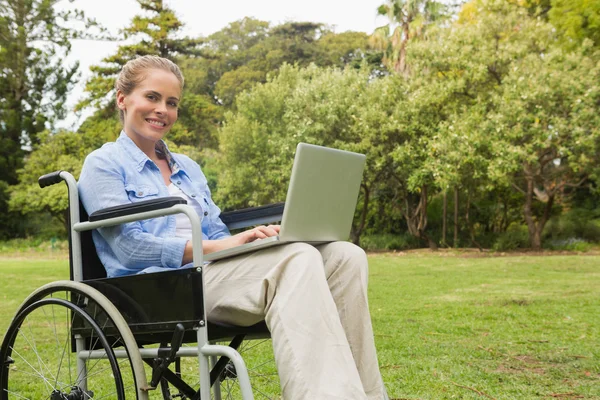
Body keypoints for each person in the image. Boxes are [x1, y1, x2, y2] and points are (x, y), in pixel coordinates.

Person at [78, 55, 388, 400]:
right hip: (158, 288)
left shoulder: (189, 168)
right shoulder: (102, 164)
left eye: (172, 102)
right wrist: (220, 248)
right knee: (297, 258)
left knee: (345, 256)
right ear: (123, 99)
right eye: (152, 97)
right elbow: (129, 248)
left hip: (213, 275)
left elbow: (215, 232)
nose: (162, 110)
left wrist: (251, 242)